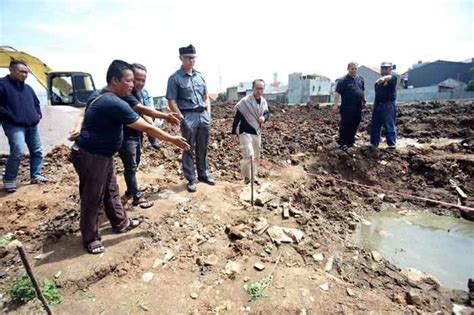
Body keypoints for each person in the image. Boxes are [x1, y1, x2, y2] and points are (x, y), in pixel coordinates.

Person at [69, 60, 189, 254]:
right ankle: (90, 238)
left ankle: (120, 222)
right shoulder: (112, 101)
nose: (133, 85)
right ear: (115, 80)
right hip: (90, 155)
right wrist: (172, 139)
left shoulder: (111, 96)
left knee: (111, 190)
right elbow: (147, 126)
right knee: (92, 197)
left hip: (103, 155)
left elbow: (143, 110)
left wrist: (165, 117)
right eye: (129, 81)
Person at [118, 63, 180, 208]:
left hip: (136, 133)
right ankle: (136, 197)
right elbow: (143, 109)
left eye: (142, 80)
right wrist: (165, 117)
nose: (139, 83)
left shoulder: (138, 93)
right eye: (136, 79)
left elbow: (145, 114)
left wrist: (153, 130)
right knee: (131, 165)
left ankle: (130, 190)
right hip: (125, 135)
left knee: (136, 162)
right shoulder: (127, 94)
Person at [166, 44, 214, 192]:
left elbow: (206, 97)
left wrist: (208, 113)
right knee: (188, 148)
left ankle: (203, 174)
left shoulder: (200, 76)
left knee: (203, 147)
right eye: (188, 58)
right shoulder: (175, 78)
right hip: (188, 115)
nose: (191, 60)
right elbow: (171, 101)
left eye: (193, 57)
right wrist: (181, 118)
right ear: (181, 58)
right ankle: (191, 179)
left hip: (202, 115)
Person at [0, 60, 48, 193]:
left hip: (32, 125)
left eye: (26, 72)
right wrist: (10, 116)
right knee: (18, 150)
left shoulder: (28, 88)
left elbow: (36, 103)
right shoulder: (2, 85)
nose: (24, 75)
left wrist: (38, 115)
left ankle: (36, 175)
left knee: (37, 150)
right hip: (14, 125)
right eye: (21, 71)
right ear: (11, 70)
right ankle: (9, 179)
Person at [231, 79, 269, 185]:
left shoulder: (263, 102)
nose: (259, 91)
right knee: (248, 155)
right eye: (257, 88)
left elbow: (267, 113)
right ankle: (248, 178)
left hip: (256, 132)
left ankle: (254, 176)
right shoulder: (245, 101)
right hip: (245, 132)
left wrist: (263, 118)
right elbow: (237, 116)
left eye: (261, 89)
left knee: (256, 155)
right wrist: (233, 131)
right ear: (253, 88)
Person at [332, 62, 366, 151]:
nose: (354, 70)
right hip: (347, 107)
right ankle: (343, 143)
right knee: (345, 125)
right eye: (352, 68)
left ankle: (351, 142)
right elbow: (337, 93)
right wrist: (335, 105)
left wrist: (363, 101)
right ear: (348, 69)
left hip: (357, 107)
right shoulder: (343, 80)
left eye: (355, 68)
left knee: (355, 124)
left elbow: (362, 91)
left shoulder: (360, 79)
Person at [370, 62, 398, 149]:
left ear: (390, 69)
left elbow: (389, 77)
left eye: (387, 68)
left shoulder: (393, 78)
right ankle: (374, 144)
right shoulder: (377, 83)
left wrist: (384, 79)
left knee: (389, 125)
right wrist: (374, 107)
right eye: (383, 68)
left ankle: (391, 145)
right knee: (375, 126)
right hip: (378, 105)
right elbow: (377, 96)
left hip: (388, 106)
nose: (384, 70)